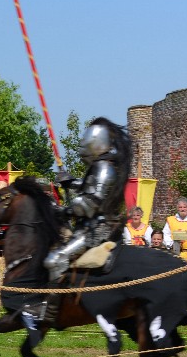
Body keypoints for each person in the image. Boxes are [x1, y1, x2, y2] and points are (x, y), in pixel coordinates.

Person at [43, 118, 131, 282]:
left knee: (54, 260)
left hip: (95, 230)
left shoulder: (104, 168)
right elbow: (88, 187)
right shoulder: (102, 166)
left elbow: (91, 203)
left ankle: (52, 307)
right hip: (91, 226)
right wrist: (70, 182)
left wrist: (64, 211)